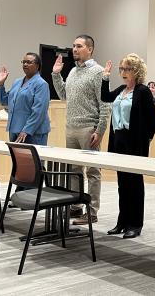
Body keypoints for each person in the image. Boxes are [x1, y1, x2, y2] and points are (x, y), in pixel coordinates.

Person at [52, 34, 110, 225]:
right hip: (71, 127)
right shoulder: (72, 72)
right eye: (73, 46)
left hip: (89, 128)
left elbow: (105, 105)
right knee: (74, 170)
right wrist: (56, 74)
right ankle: (76, 206)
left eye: (78, 46)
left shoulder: (98, 72)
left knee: (93, 171)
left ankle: (92, 211)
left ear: (90, 49)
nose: (74, 49)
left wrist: (100, 130)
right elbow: (63, 95)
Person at [101, 54, 155, 238]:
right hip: (118, 140)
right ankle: (122, 221)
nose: (123, 73)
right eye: (122, 69)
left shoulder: (142, 91)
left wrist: (146, 140)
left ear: (136, 71)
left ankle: (135, 224)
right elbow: (105, 97)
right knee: (122, 184)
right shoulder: (121, 89)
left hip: (134, 143)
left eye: (127, 69)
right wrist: (105, 77)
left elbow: (154, 120)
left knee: (134, 184)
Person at [0, 52, 50, 146]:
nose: (25, 64)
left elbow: (39, 111)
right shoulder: (17, 82)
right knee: (16, 160)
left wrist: (27, 130)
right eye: (23, 62)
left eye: (29, 62)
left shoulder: (41, 84)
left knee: (33, 160)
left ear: (37, 65)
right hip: (15, 129)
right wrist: (1, 84)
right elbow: (5, 101)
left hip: (33, 132)